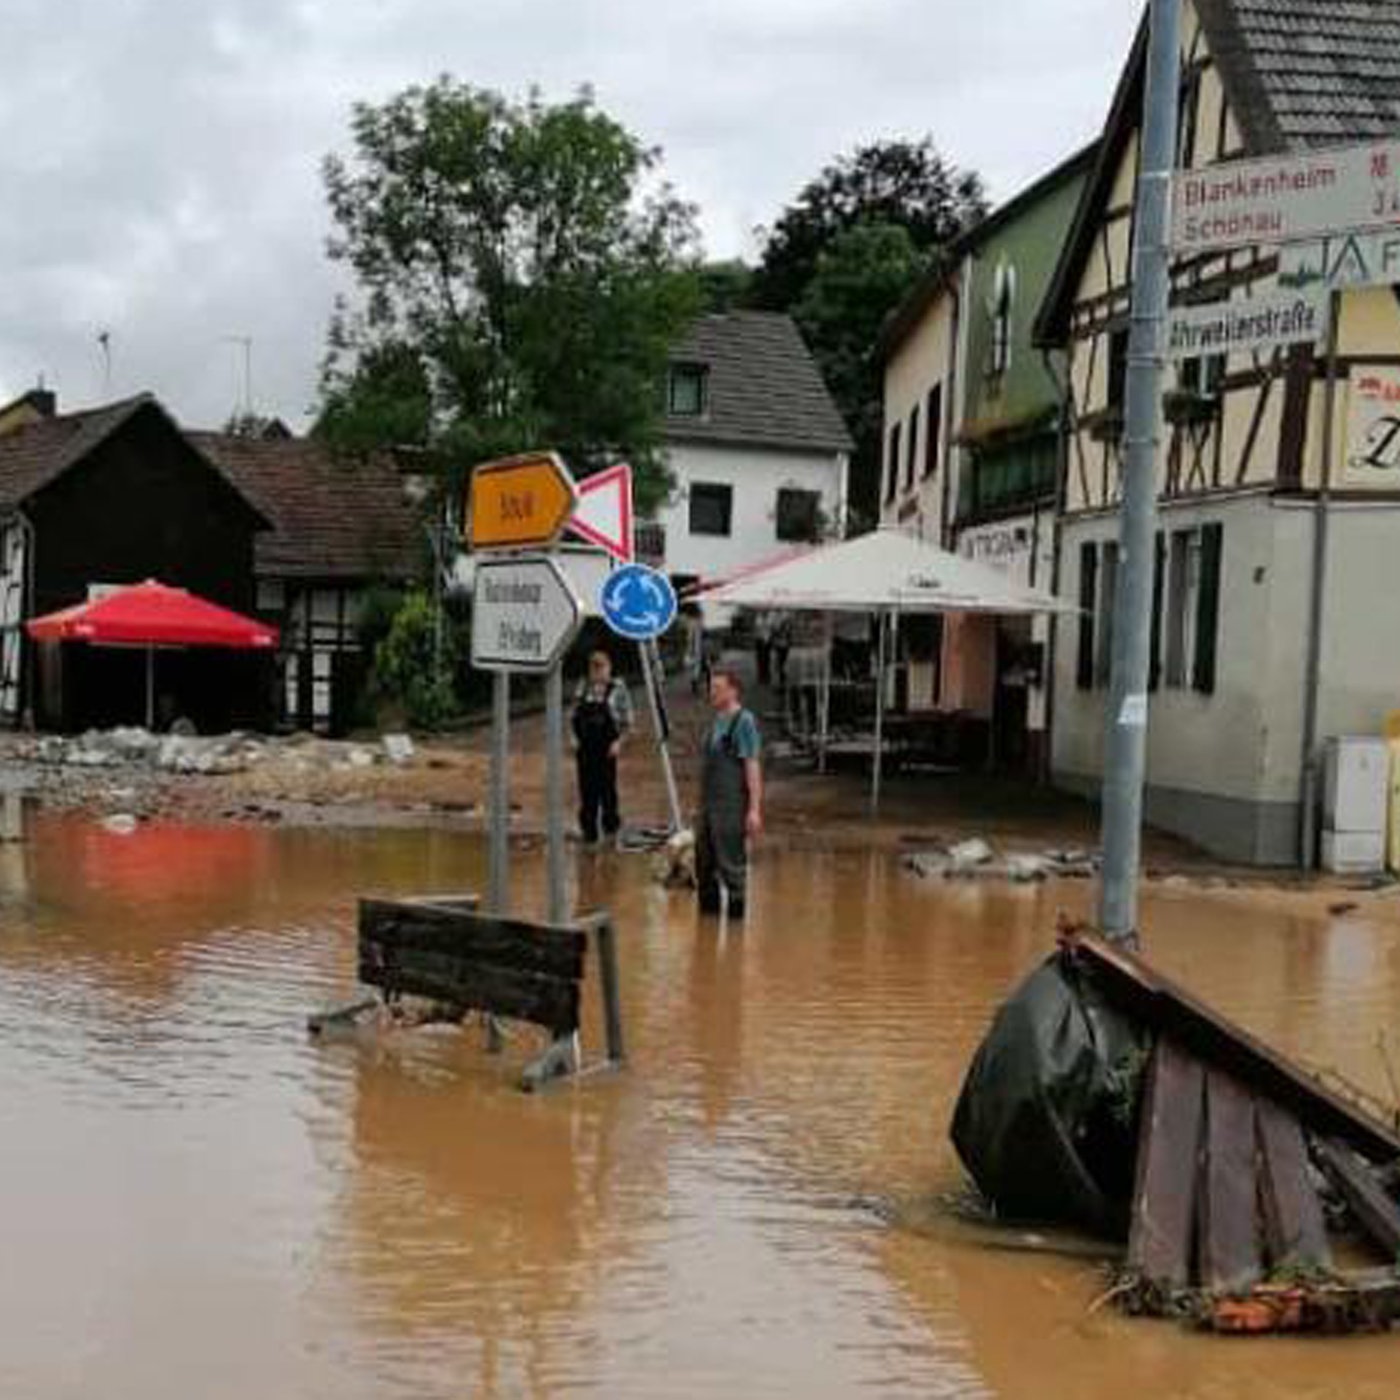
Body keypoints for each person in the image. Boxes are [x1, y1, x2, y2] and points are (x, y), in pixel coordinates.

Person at [696, 667, 763, 917]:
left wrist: (754, 810)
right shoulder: (716, 721)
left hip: (731, 807)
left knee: (732, 867)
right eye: (711, 687)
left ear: (733, 691)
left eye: (717, 688)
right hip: (707, 806)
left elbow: (752, 764)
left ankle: (735, 934)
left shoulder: (743, 721)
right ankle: (706, 937)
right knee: (703, 864)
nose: (711, 692)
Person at [572, 649, 633, 846]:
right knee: (587, 790)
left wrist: (619, 742)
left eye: (601, 668)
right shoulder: (582, 688)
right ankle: (588, 832)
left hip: (607, 748)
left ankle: (610, 831)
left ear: (609, 668)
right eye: (594, 668)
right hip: (585, 748)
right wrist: (573, 739)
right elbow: (572, 717)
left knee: (607, 790)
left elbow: (628, 721)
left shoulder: (618, 689)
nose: (598, 672)